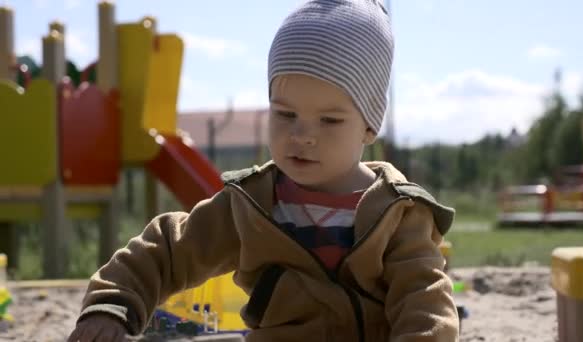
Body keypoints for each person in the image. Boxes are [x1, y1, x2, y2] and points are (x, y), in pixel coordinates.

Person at [69, 0, 459, 340]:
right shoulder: (252, 206)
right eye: (285, 114)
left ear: (369, 126)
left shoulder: (398, 213)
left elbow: (424, 301)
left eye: (329, 120)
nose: (302, 135)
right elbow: (168, 251)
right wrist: (112, 305)